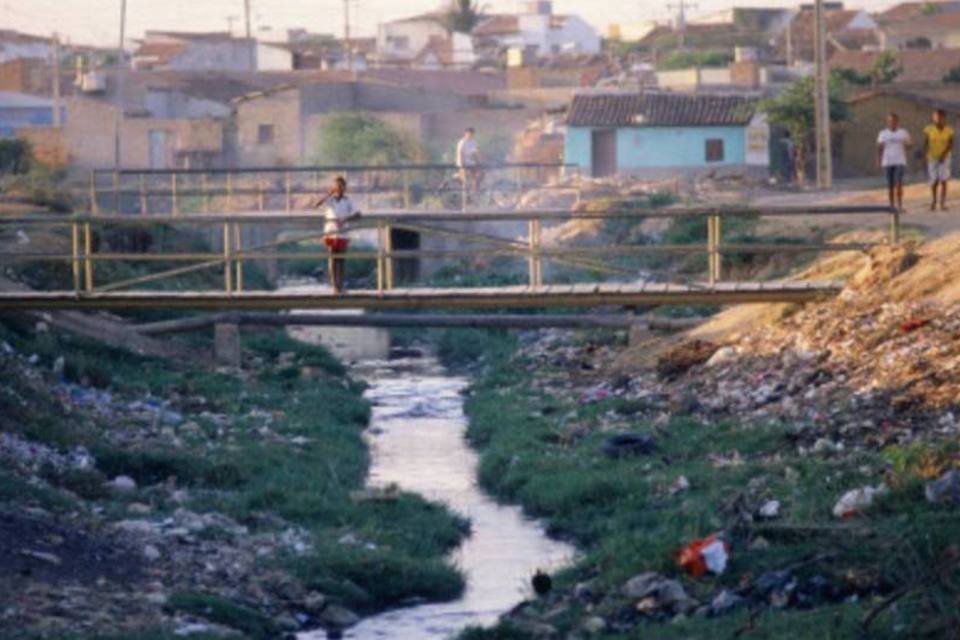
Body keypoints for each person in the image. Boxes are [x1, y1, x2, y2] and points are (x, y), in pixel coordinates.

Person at [312, 176, 361, 294]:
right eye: (337, 186)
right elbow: (316, 205)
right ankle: (335, 286)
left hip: (343, 233)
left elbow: (358, 214)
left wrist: (345, 219)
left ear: (344, 188)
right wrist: (329, 194)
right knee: (333, 259)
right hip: (331, 232)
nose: (339, 188)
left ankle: (341, 285)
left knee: (341, 260)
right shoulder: (329, 200)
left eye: (341, 186)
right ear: (334, 187)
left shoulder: (348, 200)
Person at [877, 112, 912, 212]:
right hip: (888, 161)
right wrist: (878, 160)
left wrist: (907, 145)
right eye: (890, 121)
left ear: (898, 122)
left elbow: (909, 145)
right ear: (887, 122)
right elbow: (879, 147)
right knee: (890, 185)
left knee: (899, 184)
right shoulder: (883, 133)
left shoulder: (903, 132)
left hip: (899, 161)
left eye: (894, 121)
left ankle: (900, 205)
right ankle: (891, 206)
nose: (892, 123)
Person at [923, 108, 955, 211]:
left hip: (944, 157)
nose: (938, 119)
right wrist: (925, 155)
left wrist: (944, 154)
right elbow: (926, 143)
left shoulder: (949, 130)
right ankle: (933, 202)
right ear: (933, 118)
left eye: (940, 117)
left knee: (943, 180)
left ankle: (942, 203)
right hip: (932, 157)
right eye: (936, 117)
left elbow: (950, 144)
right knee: (934, 180)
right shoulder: (928, 129)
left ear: (944, 118)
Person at [456, 127, 481, 197]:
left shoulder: (473, 142)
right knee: (465, 179)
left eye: (472, 134)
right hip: (463, 162)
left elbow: (477, 152)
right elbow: (459, 153)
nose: (471, 135)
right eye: (470, 133)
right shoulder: (462, 142)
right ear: (466, 133)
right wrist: (461, 165)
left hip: (470, 162)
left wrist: (479, 161)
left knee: (478, 175)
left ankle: (474, 192)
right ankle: (464, 195)